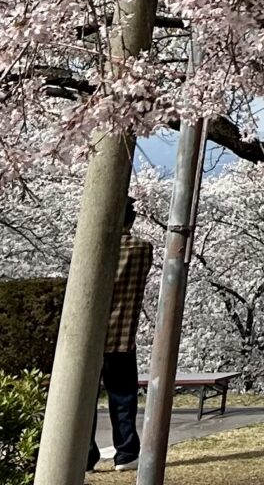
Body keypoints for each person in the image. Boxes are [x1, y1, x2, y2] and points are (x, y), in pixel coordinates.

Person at [89, 202, 153, 473]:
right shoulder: (142, 249)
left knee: (85, 400)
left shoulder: (93, 249)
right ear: (132, 219)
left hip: (90, 337)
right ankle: (125, 454)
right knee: (123, 396)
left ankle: (85, 456)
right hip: (123, 336)